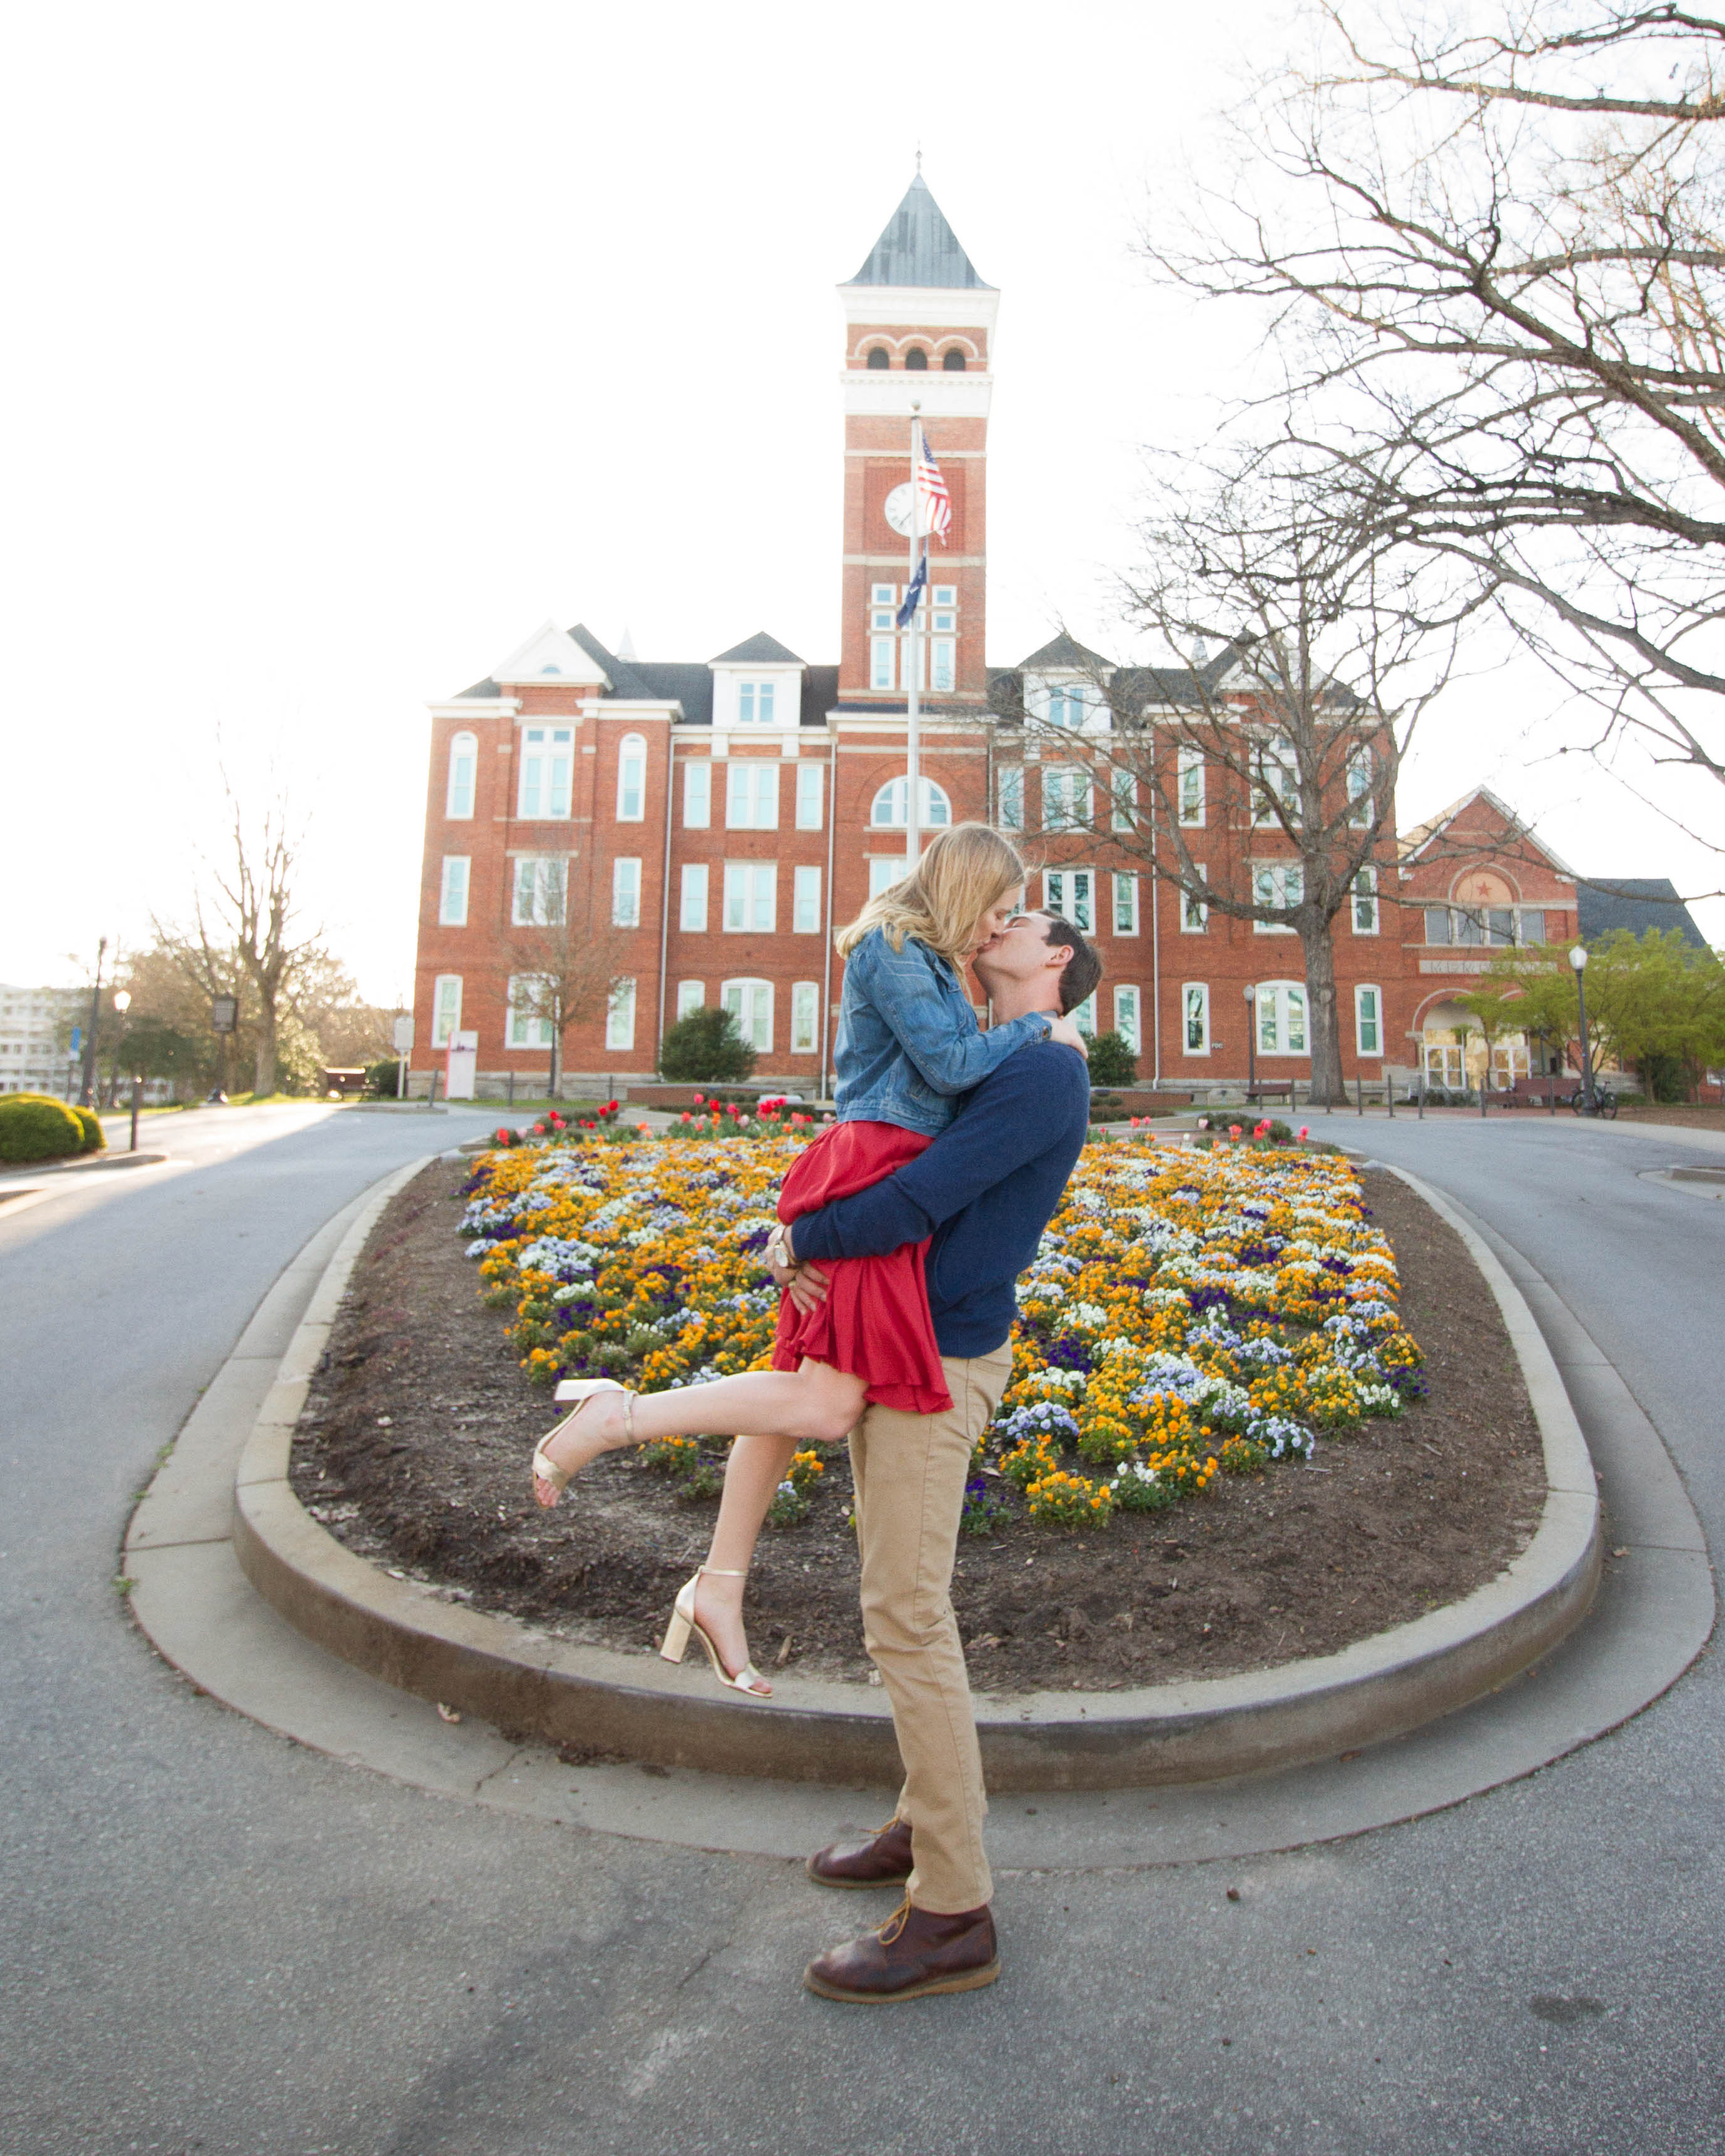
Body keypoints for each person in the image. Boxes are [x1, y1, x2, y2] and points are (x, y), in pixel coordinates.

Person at [526, 824, 1087, 1697]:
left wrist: (1039, 1037)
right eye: (996, 909)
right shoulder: (894, 946)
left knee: (798, 1385)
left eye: (1013, 920)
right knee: (822, 1400)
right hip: (871, 1167)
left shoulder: (944, 966)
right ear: (966, 888)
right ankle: (617, 1416)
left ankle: (717, 1582)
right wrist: (1044, 1027)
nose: (995, 928)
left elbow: (972, 1098)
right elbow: (946, 1069)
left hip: (882, 1172)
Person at [784, 909, 1101, 2003]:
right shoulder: (996, 1058)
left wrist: (797, 1240)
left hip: (940, 1357)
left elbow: (922, 1198)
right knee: (896, 1603)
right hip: (910, 1338)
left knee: (909, 1615)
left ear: (1055, 961)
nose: (993, 923)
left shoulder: (1046, 1076)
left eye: (1018, 919)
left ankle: (956, 1910)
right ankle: (925, 1825)